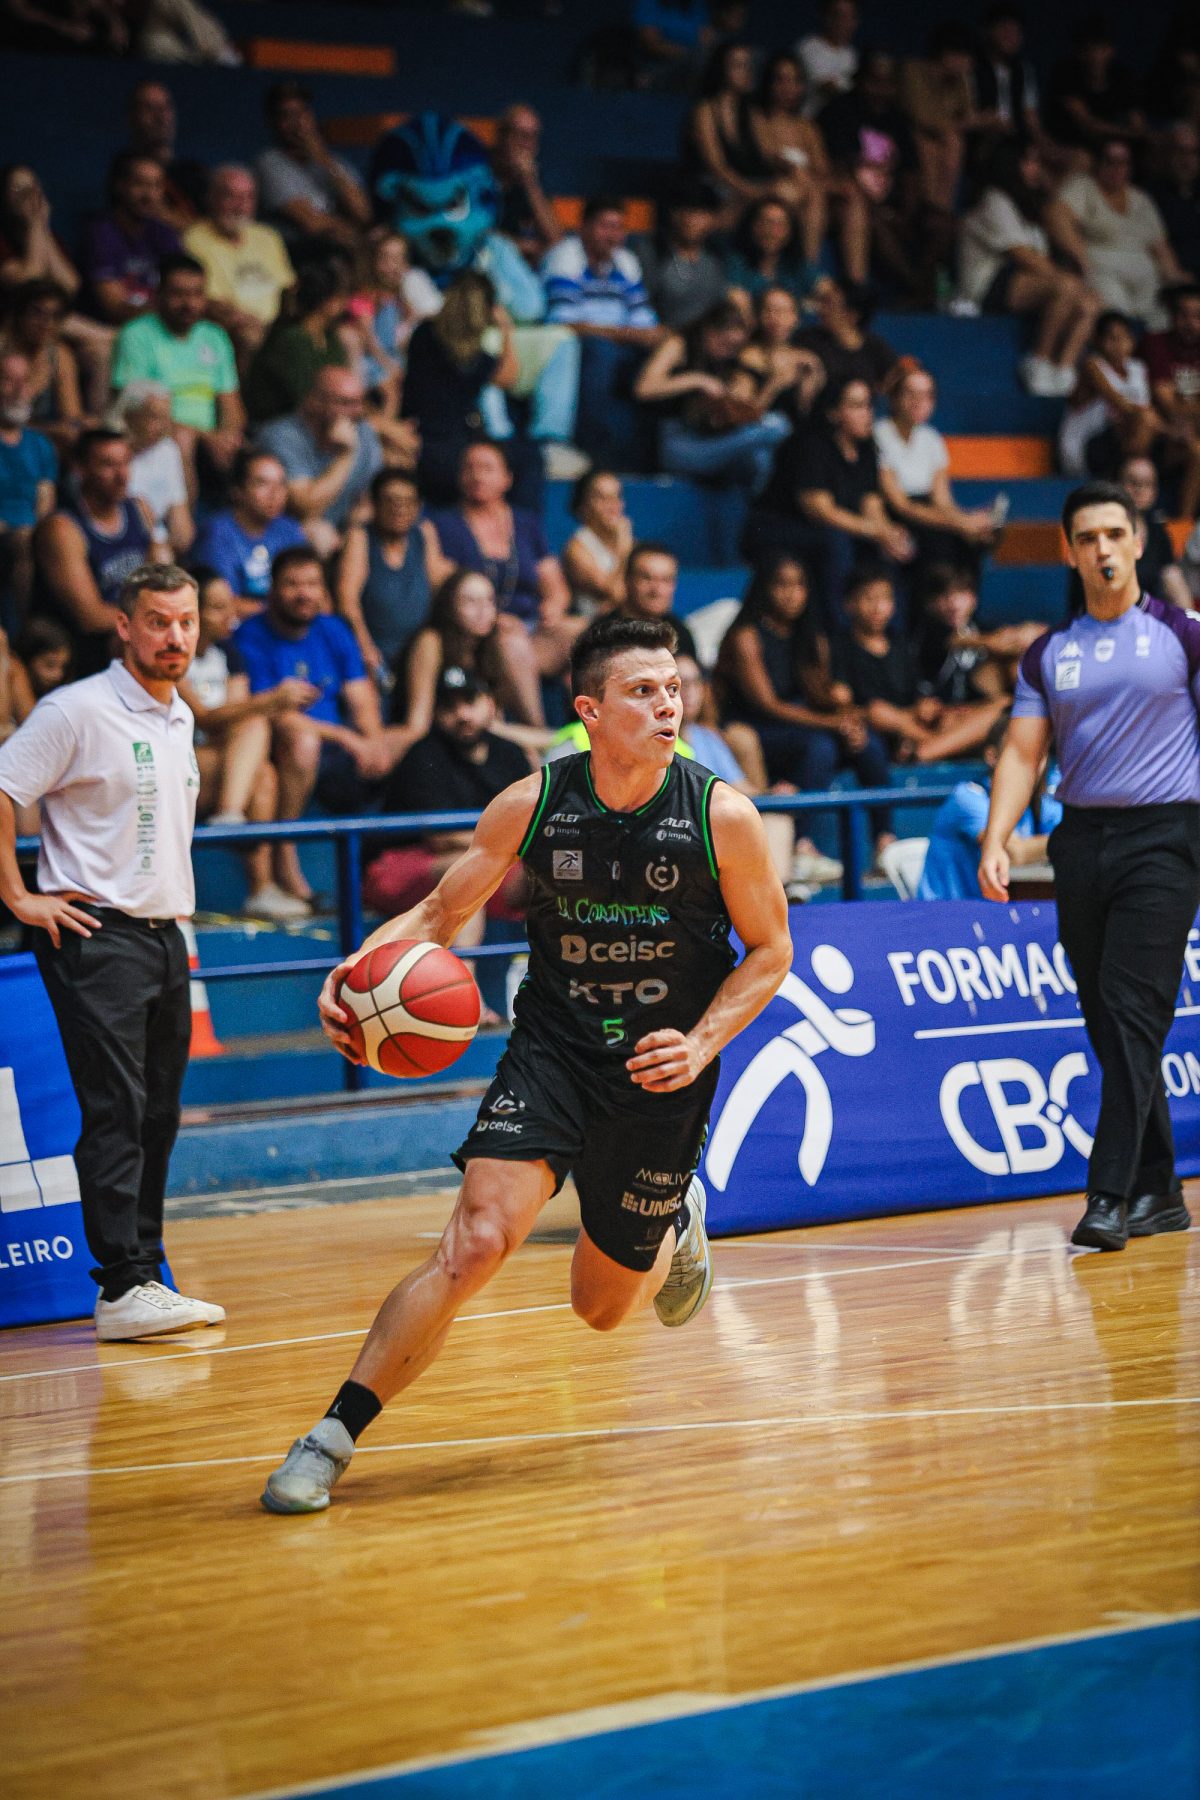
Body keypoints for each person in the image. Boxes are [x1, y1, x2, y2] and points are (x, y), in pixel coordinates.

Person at [260, 611, 793, 1512]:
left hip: (658, 1071)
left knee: (602, 1309)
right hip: (553, 1048)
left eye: (673, 689)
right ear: (591, 711)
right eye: (642, 692)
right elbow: (438, 914)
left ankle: (675, 1217)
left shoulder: (721, 815)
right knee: (474, 1242)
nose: (668, 706)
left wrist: (701, 1041)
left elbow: (771, 951)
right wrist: (356, 970)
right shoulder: (536, 800)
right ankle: (331, 1436)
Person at [0, 562, 225, 1340]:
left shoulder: (179, 714)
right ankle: (122, 1284)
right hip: (96, 936)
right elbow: (4, 785)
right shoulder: (76, 710)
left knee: (158, 1113)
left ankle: (145, 1276)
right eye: (158, 621)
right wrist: (18, 895)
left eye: (187, 622)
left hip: (165, 936)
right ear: (123, 626)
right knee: (116, 1109)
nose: (175, 636)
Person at [980, 479, 1200, 1250]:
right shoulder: (1051, 652)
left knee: (1133, 1007)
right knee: (1109, 1019)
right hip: (1081, 840)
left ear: (1137, 542)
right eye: (1087, 537)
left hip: (1166, 837)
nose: (1102, 548)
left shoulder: (1182, 633)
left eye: (1114, 533)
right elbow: (1022, 753)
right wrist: (997, 837)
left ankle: (1108, 1194)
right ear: (1069, 552)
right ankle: (1161, 1191)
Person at [716, 553, 893, 870]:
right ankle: (801, 845)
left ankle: (885, 842)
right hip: (755, 728)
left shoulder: (810, 636)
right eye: (781, 584)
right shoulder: (746, 635)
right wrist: (832, 723)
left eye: (799, 585)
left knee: (869, 745)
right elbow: (767, 704)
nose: (791, 594)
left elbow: (818, 695)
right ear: (765, 588)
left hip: (800, 726)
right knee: (820, 746)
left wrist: (848, 719)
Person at [234, 547, 390, 904]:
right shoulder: (251, 635)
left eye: (312, 584)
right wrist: (348, 738)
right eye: (292, 584)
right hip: (281, 747)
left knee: (405, 743)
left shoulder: (333, 629)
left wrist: (374, 741)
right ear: (273, 588)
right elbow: (270, 713)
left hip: (337, 754)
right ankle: (285, 850)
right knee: (303, 740)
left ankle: (384, 869)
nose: (304, 593)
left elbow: (360, 697)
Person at [177, 567, 308, 919]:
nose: (231, 615)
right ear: (191, 613)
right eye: (218, 608)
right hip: (178, 763)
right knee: (256, 723)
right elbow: (204, 717)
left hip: (215, 761)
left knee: (264, 774)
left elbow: (232, 716)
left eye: (231, 604)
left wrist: (257, 706)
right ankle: (254, 874)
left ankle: (235, 828)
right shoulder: (172, 654)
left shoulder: (228, 654)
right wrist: (270, 700)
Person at [363, 665, 531, 937]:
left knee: (555, 871)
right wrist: (519, 845)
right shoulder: (423, 756)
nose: (462, 714)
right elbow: (443, 839)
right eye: (449, 707)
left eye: (470, 701)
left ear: (490, 704)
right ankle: (464, 965)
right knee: (467, 874)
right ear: (436, 713)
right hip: (401, 865)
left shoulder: (510, 754)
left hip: (493, 861)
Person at [745, 376, 914, 631]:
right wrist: (875, 531)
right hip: (777, 527)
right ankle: (840, 629)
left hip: (830, 528)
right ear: (833, 412)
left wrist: (888, 533)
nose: (867, 413)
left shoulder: (866, 449)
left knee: (888, 549)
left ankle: (892, 634)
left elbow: (871, 503)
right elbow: (819, 510)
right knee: (835, 541)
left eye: (868, 405)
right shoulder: (810, 446)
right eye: (856, 406)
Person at [430, 441, 576, 726]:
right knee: (511, 640)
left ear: (507, 478)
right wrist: (493, 617)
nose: (477, 475)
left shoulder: (527, 524)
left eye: (487, 468)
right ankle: (539, 732)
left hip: (533, 627)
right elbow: (443, 586)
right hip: (482, 633)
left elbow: (554, 584)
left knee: (589, 633)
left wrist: (554, 606)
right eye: (469, 468)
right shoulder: (441, 525)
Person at [957, 139, 1101, 397]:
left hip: (1021, 281)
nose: (1037, 168)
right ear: (1011, 164)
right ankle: (1038, 361)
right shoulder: (994, 199)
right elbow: (1024, 256)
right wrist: (1072, 285)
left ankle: (1063, 370)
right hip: (985, 284)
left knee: (1091, 300)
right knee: (1067, 287)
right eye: (1030, 161)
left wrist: (1079, 289)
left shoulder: (1027, 205)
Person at [835, 566, 1007, 763]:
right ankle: (932, 748)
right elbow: (845, 704)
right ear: (849, 603)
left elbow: (916, 694)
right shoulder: (841, 647)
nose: (878, 608)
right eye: (869, 598)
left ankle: (927, 745)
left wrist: (924, 706)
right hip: (879, 722)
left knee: (1001, 704)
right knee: (878, 712)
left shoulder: (900, 643)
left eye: (885, 599)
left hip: (912, 721)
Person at [542, 196, 661, 468]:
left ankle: (650, 459)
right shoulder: (565, 256)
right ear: (583, 227)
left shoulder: (626, 261)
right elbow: (566, 323)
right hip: (576, 347)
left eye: (619, 227)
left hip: (620, 345)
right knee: (600, 351)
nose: (613, 235)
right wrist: (628, 334)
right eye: (605, 226)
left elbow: (645, 321)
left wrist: (656, 336)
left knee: (663, 354)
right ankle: (591, 455)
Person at [634, 298, 791, 503]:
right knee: (776, 428)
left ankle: (753, 508)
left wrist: (771, 386)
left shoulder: (732, 360)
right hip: (677, 441)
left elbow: (752, 411)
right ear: (709, 332)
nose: (729, 351)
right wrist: (698, 380)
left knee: (763, 448)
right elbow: (643, 389)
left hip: (714, 437)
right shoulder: (681, 343)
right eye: (725, 344)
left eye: (735, 347)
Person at [110, 251, 244, 489]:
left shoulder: (214, 336)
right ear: (159, 295)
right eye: (179, 294)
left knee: (262, 463)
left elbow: (231, 404)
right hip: (157, 437)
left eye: (197, 294)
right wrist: (205, 437)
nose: (189, 304)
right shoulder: (136, 335)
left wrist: (228, 436)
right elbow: (137, 411)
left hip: (210, 443)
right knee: (183, 441)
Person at [32, 428, 157, 675]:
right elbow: (90, 617)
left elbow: (159, 578)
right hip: (83, 650)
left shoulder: (138, 508)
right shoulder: (63, 528)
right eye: (108, 465)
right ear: (81, 469)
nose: (122, 476)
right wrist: (157, 618)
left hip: (133, 628)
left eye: (125, 463)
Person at [401, 271, 519, 506]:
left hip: (418, 434)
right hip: (450, 444)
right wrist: (507, 330)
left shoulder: (424, 333)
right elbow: (508, 377)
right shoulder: (475, 358)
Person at [875, 361, 1002, 579]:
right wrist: (959, 523)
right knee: (939, 540)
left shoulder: (931, 439)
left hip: (929, 511)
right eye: (911, 393)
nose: (918, 402)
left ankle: (964, 599)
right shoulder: (880, 434)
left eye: (927, 395)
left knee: (977, 539)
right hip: (898, 514)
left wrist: (970, 521)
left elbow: (942, 501)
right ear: (895, 397)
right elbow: (901, 505)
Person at [916, 714, 1061, 900]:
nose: (1034, 760)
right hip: (945, 911)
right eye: (1021, 750)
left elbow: (1061, 834)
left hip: (995, 907)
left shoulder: (1039, 802)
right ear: (992, 756)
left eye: (1040, 750)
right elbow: (1013, 853)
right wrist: (1076, 840)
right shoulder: (968, 798)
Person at [1053, 139, 1185, 331]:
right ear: (1099, 163)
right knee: (1118, 323)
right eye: (1110, 161)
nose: (1117, 168)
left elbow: (1160, 247)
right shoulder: (1083, 187)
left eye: (1123, 163)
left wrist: (1176, 278)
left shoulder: (1141, 199)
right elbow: (1057, 216)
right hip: (1102, 273)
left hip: (1146, 281)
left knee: (1164, 321)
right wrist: (1080, 257)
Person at [256, 365, 384, 555]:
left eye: (359, 402)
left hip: (343, 530)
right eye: (345, 403)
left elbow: (372, 496)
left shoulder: (363, 432)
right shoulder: (281, 436)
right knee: (319, 535)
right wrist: (345, 456)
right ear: (314, 401)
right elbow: (304, 507)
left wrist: (352, 526)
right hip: (286, 531)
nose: (357, 411)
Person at [335, 468, 442, 681]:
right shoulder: (360, 537)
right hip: (373, 649)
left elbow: (438, 583)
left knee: (431, 643)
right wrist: (365, 647)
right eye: (391, 501)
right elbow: (347, 599)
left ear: (418, 507)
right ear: (374, 504)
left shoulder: (424, 533)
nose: (399, 509)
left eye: (407, 502)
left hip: (418, 651)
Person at [183, 165, 295, 366]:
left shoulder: (267, 236)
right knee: (250, 336)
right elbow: (210, 302)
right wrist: (253, 323)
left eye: (247, 197)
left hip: (277, 325)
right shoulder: (195, 239)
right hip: (235, 327)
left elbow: (288, 288)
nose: (240, 206)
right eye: (231, 196)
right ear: (212, 198)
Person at [750, 51, 852, 269]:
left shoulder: (807, 127)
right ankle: (807, 269)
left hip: (809, 189)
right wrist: (794, 170)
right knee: (807, 190)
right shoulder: (758, 118)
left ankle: (855, 280)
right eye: (781, 80)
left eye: (795, 81)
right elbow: (768, 157)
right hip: (771, 186)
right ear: (768, 83)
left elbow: (822, 169)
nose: (788, 87)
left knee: (852, 199)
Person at [255, 80, 371, 255]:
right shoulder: (268, 163)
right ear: (273, 122)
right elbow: (312, 223)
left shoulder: (331, 160)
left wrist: (324, 160)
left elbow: (363, 212)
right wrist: (362, 238)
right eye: (286, 116)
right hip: (304, 250)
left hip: (346, 244)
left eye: (301, 113)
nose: (297, 123)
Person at [191, 447, 308, 612]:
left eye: (281, 483)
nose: (274, 493)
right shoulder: (216, 534)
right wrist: (285, 614)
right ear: (237, 491)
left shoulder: (290, 530)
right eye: (262, 483)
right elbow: (223, 603)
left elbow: (313, 591)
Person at [241, 256, 350, 427]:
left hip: (322, 421)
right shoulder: (290, 340)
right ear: (329, 302)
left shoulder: (329, 337)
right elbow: (305, 400)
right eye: (341, 297)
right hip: (280, 425)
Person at [82, 153, 182, 326]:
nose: (149, 195)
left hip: (160, 326)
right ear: (120, 186)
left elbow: (184, 288)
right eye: (140, 184)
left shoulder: (164, 233)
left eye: (156, 185)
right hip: (114, 329)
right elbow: (115, 308)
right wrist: (174, 311)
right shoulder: (101, 233)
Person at [1058, 310, 1157, 479]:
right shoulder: (1092, 365)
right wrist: (1164, 427)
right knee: (1145, 420)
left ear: (1132, 341)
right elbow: (1123, 405)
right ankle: (1130, 478)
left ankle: (1134, 477)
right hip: (1085, 446)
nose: (1119, 344)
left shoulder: (1137, 369)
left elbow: (1144, 412)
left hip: (1118, 444)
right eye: (1112, 338)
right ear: (1097, 340)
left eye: (1124, 337)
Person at [682, 41, 775, 214]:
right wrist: (750, 190)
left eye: (749, 65)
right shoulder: (705, 110)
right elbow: (716, 166)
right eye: (738, 65)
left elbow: (766, 153)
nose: (747, 71)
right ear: (722, 69)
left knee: (796, 190)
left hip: (748, 181)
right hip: (714, 185)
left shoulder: (753, 110)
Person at [0, 350, 57, 624]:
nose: (19, 390)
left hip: (31, 532)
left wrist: (39, 531)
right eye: (8, 380)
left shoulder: (40, 444)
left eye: (24, 381)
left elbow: (46, 500)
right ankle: (20, 629)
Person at [108, 380, 193, 558]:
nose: (164, 427)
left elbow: (182, 531)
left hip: (159, 550)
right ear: (129, 416)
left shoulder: (167, 450)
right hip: (118, 549)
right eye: (154, 417)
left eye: (166, 418)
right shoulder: (107, 453)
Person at [1045, 18, 1147, 166]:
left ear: (1111, 50)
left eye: (1102, 49)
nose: (1096, 56)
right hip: (1070, 144)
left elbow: (1138, 123)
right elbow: (1088, 124)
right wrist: (1132, 133)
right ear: (1079, 52)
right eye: (1090, 49)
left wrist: (1145, 136)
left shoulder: (1122, 77)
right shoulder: (1065, 74)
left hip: (1113, 146)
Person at [0, 279, 85, 457]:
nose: (46, 322)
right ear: (20, 314)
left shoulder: (59, 355)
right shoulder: (2, 347)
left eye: (55, 315)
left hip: (41, 446)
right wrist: (51, 430)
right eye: (37, 313)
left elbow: (72, 418)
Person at [628, 180, 727, 332]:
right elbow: (639, 304)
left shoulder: (716, 257)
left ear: (713, 219)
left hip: (708, 339)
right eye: (685, 211)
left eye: (700, 213)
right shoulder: (650, 251)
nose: (690, 220)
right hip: (659, 334)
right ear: (672, 213)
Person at [1143, 282, 1200, 521]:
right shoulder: (1156, 345)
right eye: (1184, 315)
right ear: (1172, 316)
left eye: (1197, 316)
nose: (1190, 323)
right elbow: (1168, 405)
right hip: (1160, 437)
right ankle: (1183, 526)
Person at [121, 77, 207, 231]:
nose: (160, 117)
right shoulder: (125, 168)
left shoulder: (194, 172)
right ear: (132, 118)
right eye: (149, 108)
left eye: (165, 108)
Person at [796, 273, 898, 395]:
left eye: (830, 304)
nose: (822, 309)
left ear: (852, 316)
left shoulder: (875, 347)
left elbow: (900, 371)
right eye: (823, 302)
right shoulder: (807, 340)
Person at [1117, 456, 1194, 610]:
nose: (1139, 490)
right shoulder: (1104, 529)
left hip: (1149, 616)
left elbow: (1173, 579)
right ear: (1118, 485)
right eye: (1133, 482)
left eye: (1147, 484)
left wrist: (1191, 620)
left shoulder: (1157, 531)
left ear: (1155, 491)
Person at [491, 104, 563, 266]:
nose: (525, 145)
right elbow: (474, 235)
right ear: (502, 137)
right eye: (521, 135)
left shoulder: (531, 183)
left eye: (532, 137)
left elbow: (557, 243)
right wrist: (522, 246)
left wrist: (530, 182)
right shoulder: (478, 172)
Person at [721, 196, 815, 311]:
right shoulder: (736, 262)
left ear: (790, 231)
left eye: (780, 225)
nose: (772, 232)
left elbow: (826, 289)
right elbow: (735, 296)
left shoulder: (796, 264)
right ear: (753, 226)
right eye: (766, 223)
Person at [561, 468, 633, 613]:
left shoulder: (626, 540)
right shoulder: (577, 549)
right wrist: (624, 550)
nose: (613, 505)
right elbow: (616, 594)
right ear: (583, 505)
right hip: (596, 623)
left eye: (617, 496)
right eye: (602, 498)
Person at [620, 540, 698, 661]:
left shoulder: (680, 633)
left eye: (665, 580)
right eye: (647, 578)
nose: (656, 590)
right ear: (628, 580)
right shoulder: (603, 634)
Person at [1148, 123, 1200, 281]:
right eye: (1180, 151)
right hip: (1177, 281)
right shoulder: (1149, 197)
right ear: (1167, 153)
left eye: (1193, 153)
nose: (1187, 160)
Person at [796, 0, 860, 116]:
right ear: (826, 17)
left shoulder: (852, 54)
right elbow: (826, 88)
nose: (843, 22)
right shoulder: (809, 48)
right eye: (839, 15)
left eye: (850, 17)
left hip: (841, 120)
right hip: (811, 119)